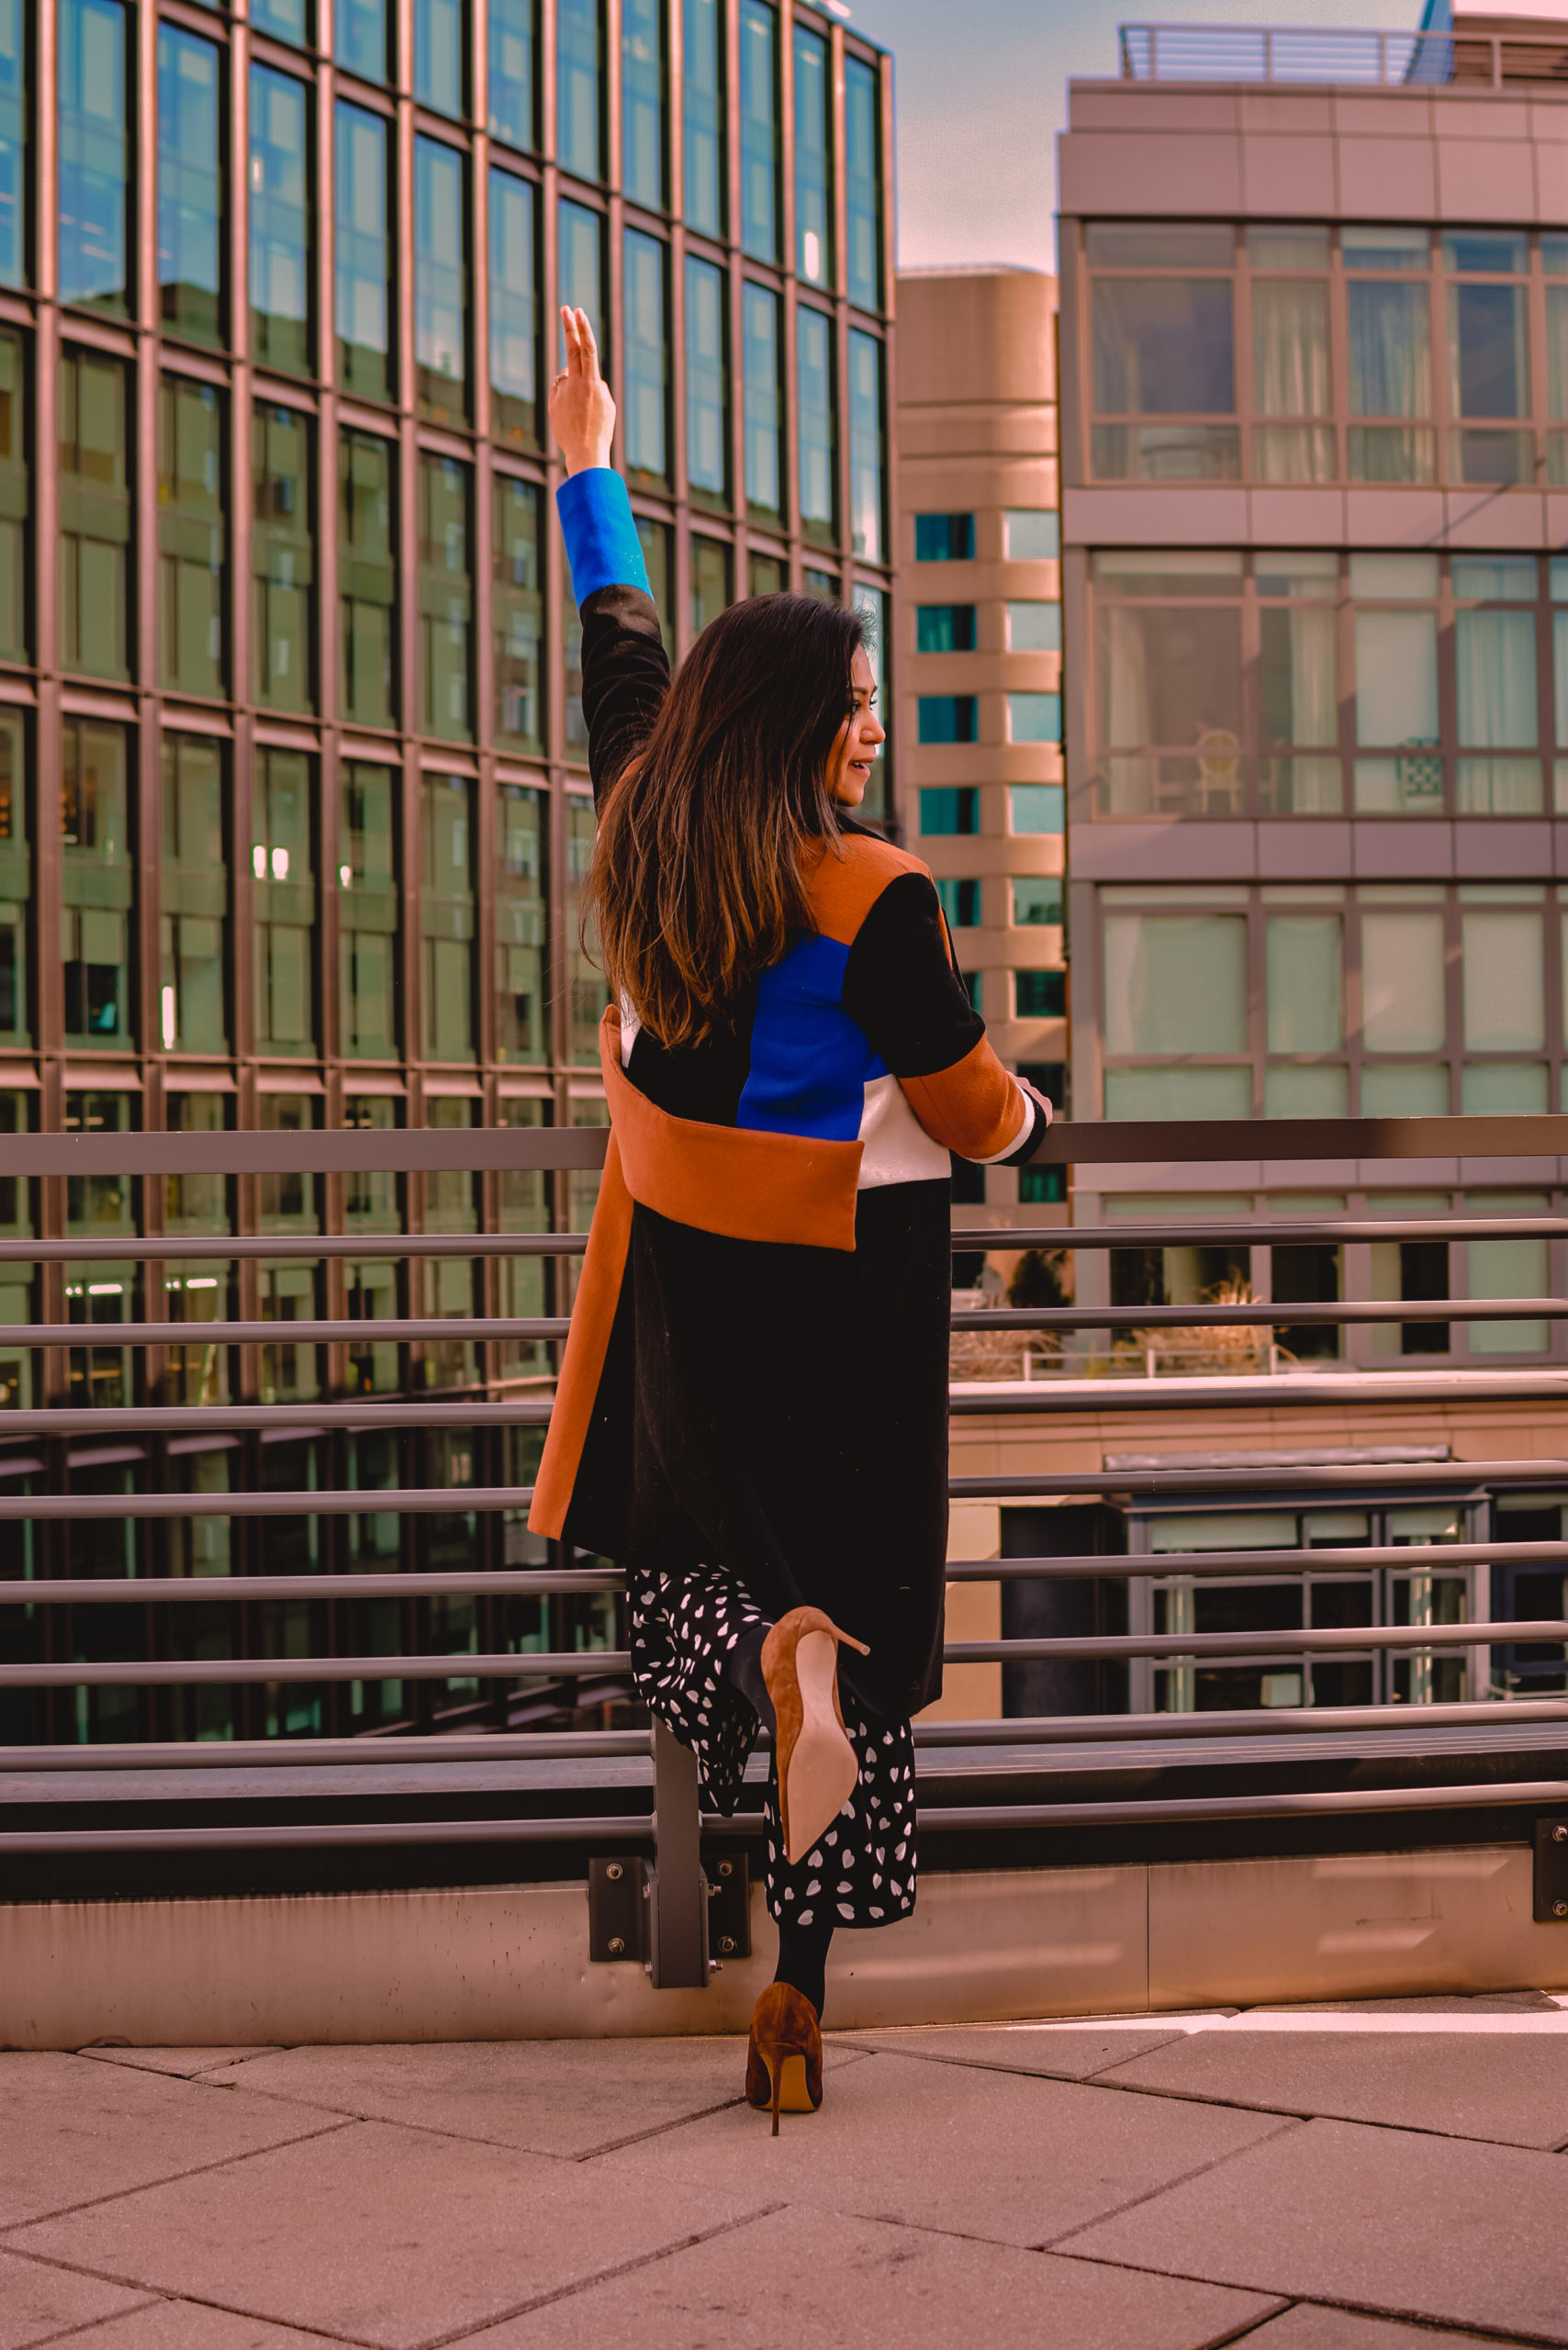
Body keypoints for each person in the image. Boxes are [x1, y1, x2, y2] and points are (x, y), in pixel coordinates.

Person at [529, 307, 1052, 2131]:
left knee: (701, 1577)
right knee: (858, 1607)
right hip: (846, 1286)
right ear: (809, 727)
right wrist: (1033, 1109)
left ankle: (772, 1657)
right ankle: (801, 1981)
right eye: (853, 705)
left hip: (687, 1287)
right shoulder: (876, 893)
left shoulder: (645, 828)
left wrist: (589, 459)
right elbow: (972, 1101)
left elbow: (620, 654)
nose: (871, 728)